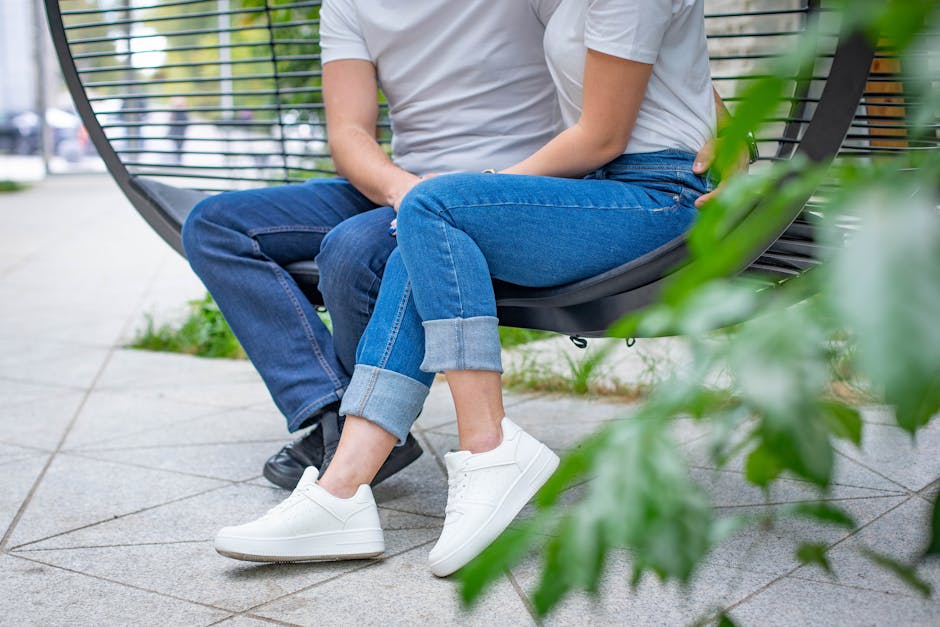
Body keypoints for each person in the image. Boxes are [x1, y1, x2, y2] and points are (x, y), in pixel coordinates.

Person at [214, 0, 728, 577]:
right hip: (601, 192)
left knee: (433, 210)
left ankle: (487, 448)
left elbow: (604, 135)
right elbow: (670, 76)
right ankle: (342, 491)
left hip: (658, 196)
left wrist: (740, 154)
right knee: (425, 221)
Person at [181, 0, 566, 491]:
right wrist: (405, 191)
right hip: (401, 185)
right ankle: (337, 412)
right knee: (215, 226)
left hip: (515, 191)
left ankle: (362, 432)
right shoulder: (349, 4)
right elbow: (348, 133)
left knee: (352, 249)